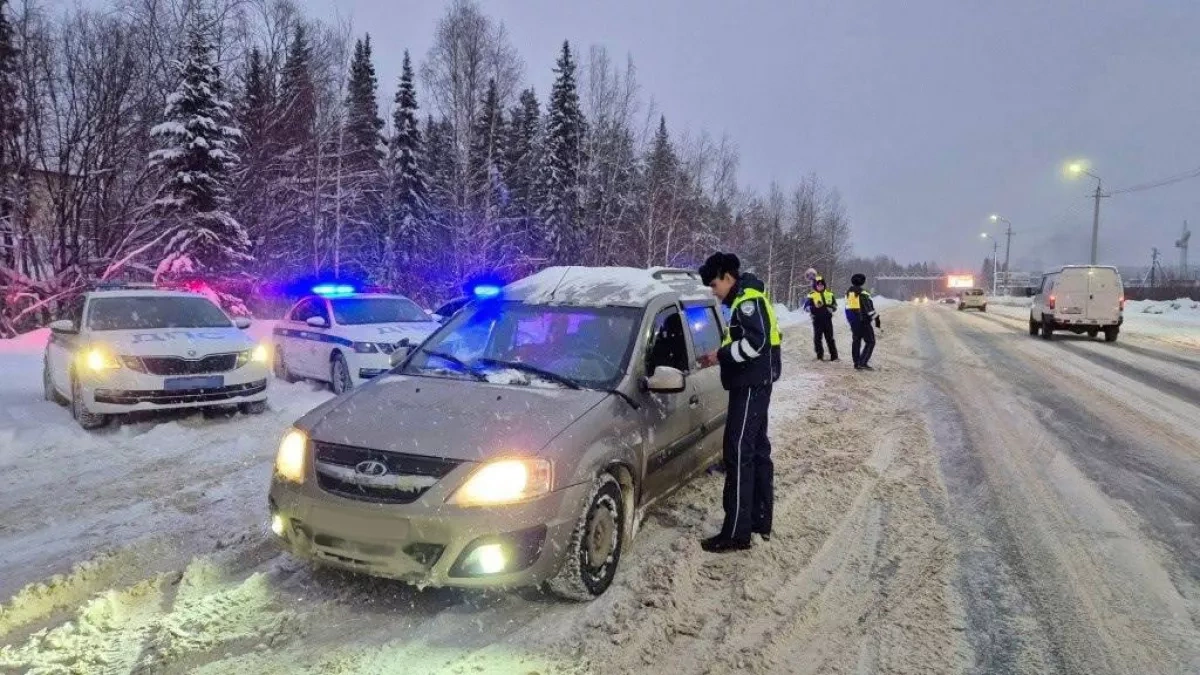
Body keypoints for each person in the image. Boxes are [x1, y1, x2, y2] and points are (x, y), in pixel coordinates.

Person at [696, 252, 781, 552]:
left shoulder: (747, 301)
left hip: (749, 385)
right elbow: (747, 340)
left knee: (739, 453)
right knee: (756, 451)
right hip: (756, 383)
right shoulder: (748, 298)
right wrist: (720, 353)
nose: (713, 290)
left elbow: (755, 343)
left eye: (714, 283)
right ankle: (758, 519)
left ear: (728, 277)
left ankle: (736, 532)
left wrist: (720, 355)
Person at [845, 273, 881, 370]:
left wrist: (852, 321)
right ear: (862, 282)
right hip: (864, 322)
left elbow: (848, 308)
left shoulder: (849, 293)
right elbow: (869, 309)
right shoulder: (863, 293)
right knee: (871, 342)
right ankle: (862, 362)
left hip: (854, 322)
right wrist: (877, 320)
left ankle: (856, 363)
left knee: (856, 341)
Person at [803, 275, 838, 361]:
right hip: (817, 320)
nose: (820, 286)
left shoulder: (830, 294)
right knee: (818, 338)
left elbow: (835, 306)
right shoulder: (811, 295)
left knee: (830, 338)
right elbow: (806, 308)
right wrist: (815, 307)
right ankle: (819, 356)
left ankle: (834, 356)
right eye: (818, 285)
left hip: (827, 320)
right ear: (815, 286)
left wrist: (832, 308)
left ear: (824, 285)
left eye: (822, 285)